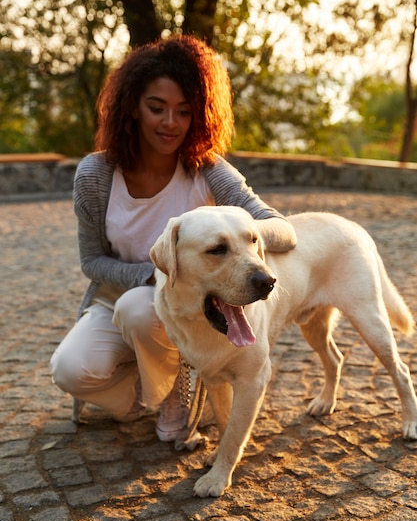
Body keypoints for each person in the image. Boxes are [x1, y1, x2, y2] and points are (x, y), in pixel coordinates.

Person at [50, 34, 297, 442]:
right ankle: (145, 396)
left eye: (183, 111)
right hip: (118, 296)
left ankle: (178, 395)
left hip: (190, 307)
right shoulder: (95, 175)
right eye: (157, 108)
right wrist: (153, 275)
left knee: (140, 309)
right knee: (70, 370)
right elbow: (91, 262)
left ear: (198, 114)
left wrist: (242, 239)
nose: (170, 123)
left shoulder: (208, 170)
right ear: (132, 107)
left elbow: (282, 230)